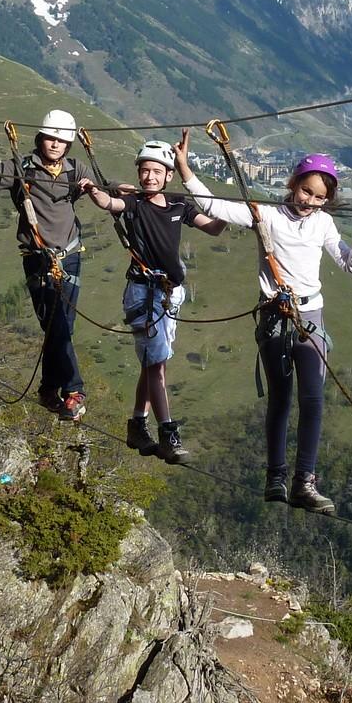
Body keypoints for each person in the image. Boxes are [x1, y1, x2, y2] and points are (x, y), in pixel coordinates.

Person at [176, 137, 352, 513]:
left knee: (313, 400)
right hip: (276, 315)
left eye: (319, 197)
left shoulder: (323, 223)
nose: (309, 201)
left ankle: (303, 481)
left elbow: (349, 265)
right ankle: (276, 476)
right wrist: (185, 169)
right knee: (281, 400)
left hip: (310, 318)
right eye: (306, 191)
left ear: (326, 201)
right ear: (294, 184)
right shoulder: (265, 214)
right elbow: (213, 205)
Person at [78, 134, 226, 463]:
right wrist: (92, 190)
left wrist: (233, 211)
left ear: (169, 175)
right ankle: (168, 435)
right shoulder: (135, 204)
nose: (149, 177)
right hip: (144, 293)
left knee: (154, 363)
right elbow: (109, 203)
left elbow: (213, 228)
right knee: (156, 366)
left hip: (168, 295)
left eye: (156, 172)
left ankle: (137, 424)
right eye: (144, 171)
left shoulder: (177, 205)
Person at [0, 110, 90, 421]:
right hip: (38, 258)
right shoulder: (20, 168)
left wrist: (104, 189)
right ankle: (74, 390)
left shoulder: (76, 170)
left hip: (70, 255)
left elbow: (101, 188)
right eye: (51, 138)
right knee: (56, 324)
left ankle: (48, 388)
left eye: (61, 140)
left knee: (62, 326)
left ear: (68, 144)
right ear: (41, 138)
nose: (56, 144)